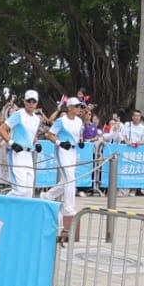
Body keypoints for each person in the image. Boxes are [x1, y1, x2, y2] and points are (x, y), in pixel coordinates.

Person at [2, 91, 48, 197]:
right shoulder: (18, 114)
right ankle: (2, 206)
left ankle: (21, 213)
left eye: (34, 101)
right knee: (20, 190)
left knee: (28, 192)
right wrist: (12, 143)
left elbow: (32, 136)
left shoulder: (36, 119)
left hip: (28, 155)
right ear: (24, 102)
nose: (31, 104)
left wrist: (36, 143)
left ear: (37, 103)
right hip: (17, 153)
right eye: (29, 101)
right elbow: (1, 129)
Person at [49, 98, 86, 230]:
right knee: (70, 179)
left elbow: (79, 135)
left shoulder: (79, 121)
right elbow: (50, 134)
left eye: (80, 106)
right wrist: (59, 143)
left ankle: (48, 195)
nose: (79, 108)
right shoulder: (61, 121)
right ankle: (69, 208)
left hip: (73, 152)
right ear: (69, 107)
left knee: (66, 180)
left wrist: (80, 141)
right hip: (62, 151)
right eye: (76, 106)